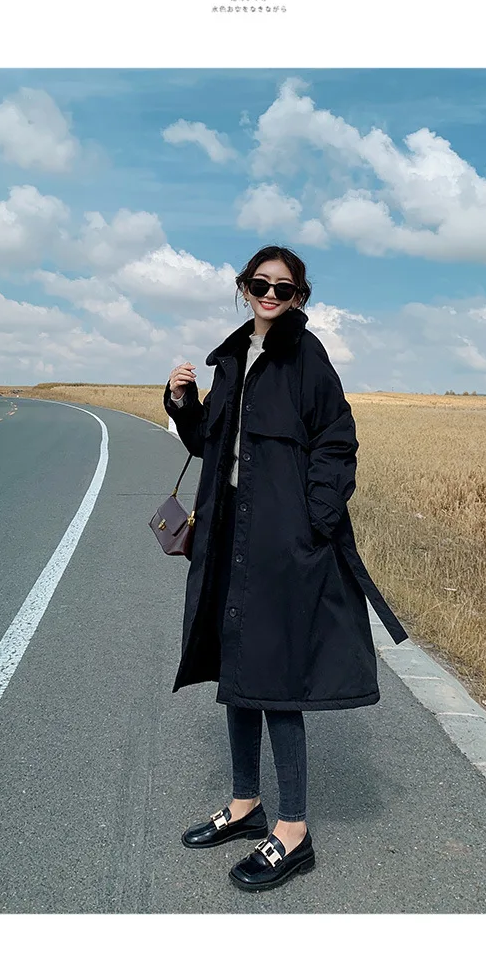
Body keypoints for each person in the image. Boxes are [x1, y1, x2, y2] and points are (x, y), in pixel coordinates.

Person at [163, 245, 408, 892]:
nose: (271, 295)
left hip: (280, 539)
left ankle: (293, 831)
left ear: (300, 296)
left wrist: (313, 522)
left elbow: (338, 441)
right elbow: (210, 442)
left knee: (276, 681)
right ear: (244, 287)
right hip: (229, 536)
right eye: (261, 284)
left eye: (284, 287)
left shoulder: (307, 357)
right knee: (236, 669)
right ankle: (246, 803)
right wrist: (182, 402)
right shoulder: (233, 357)